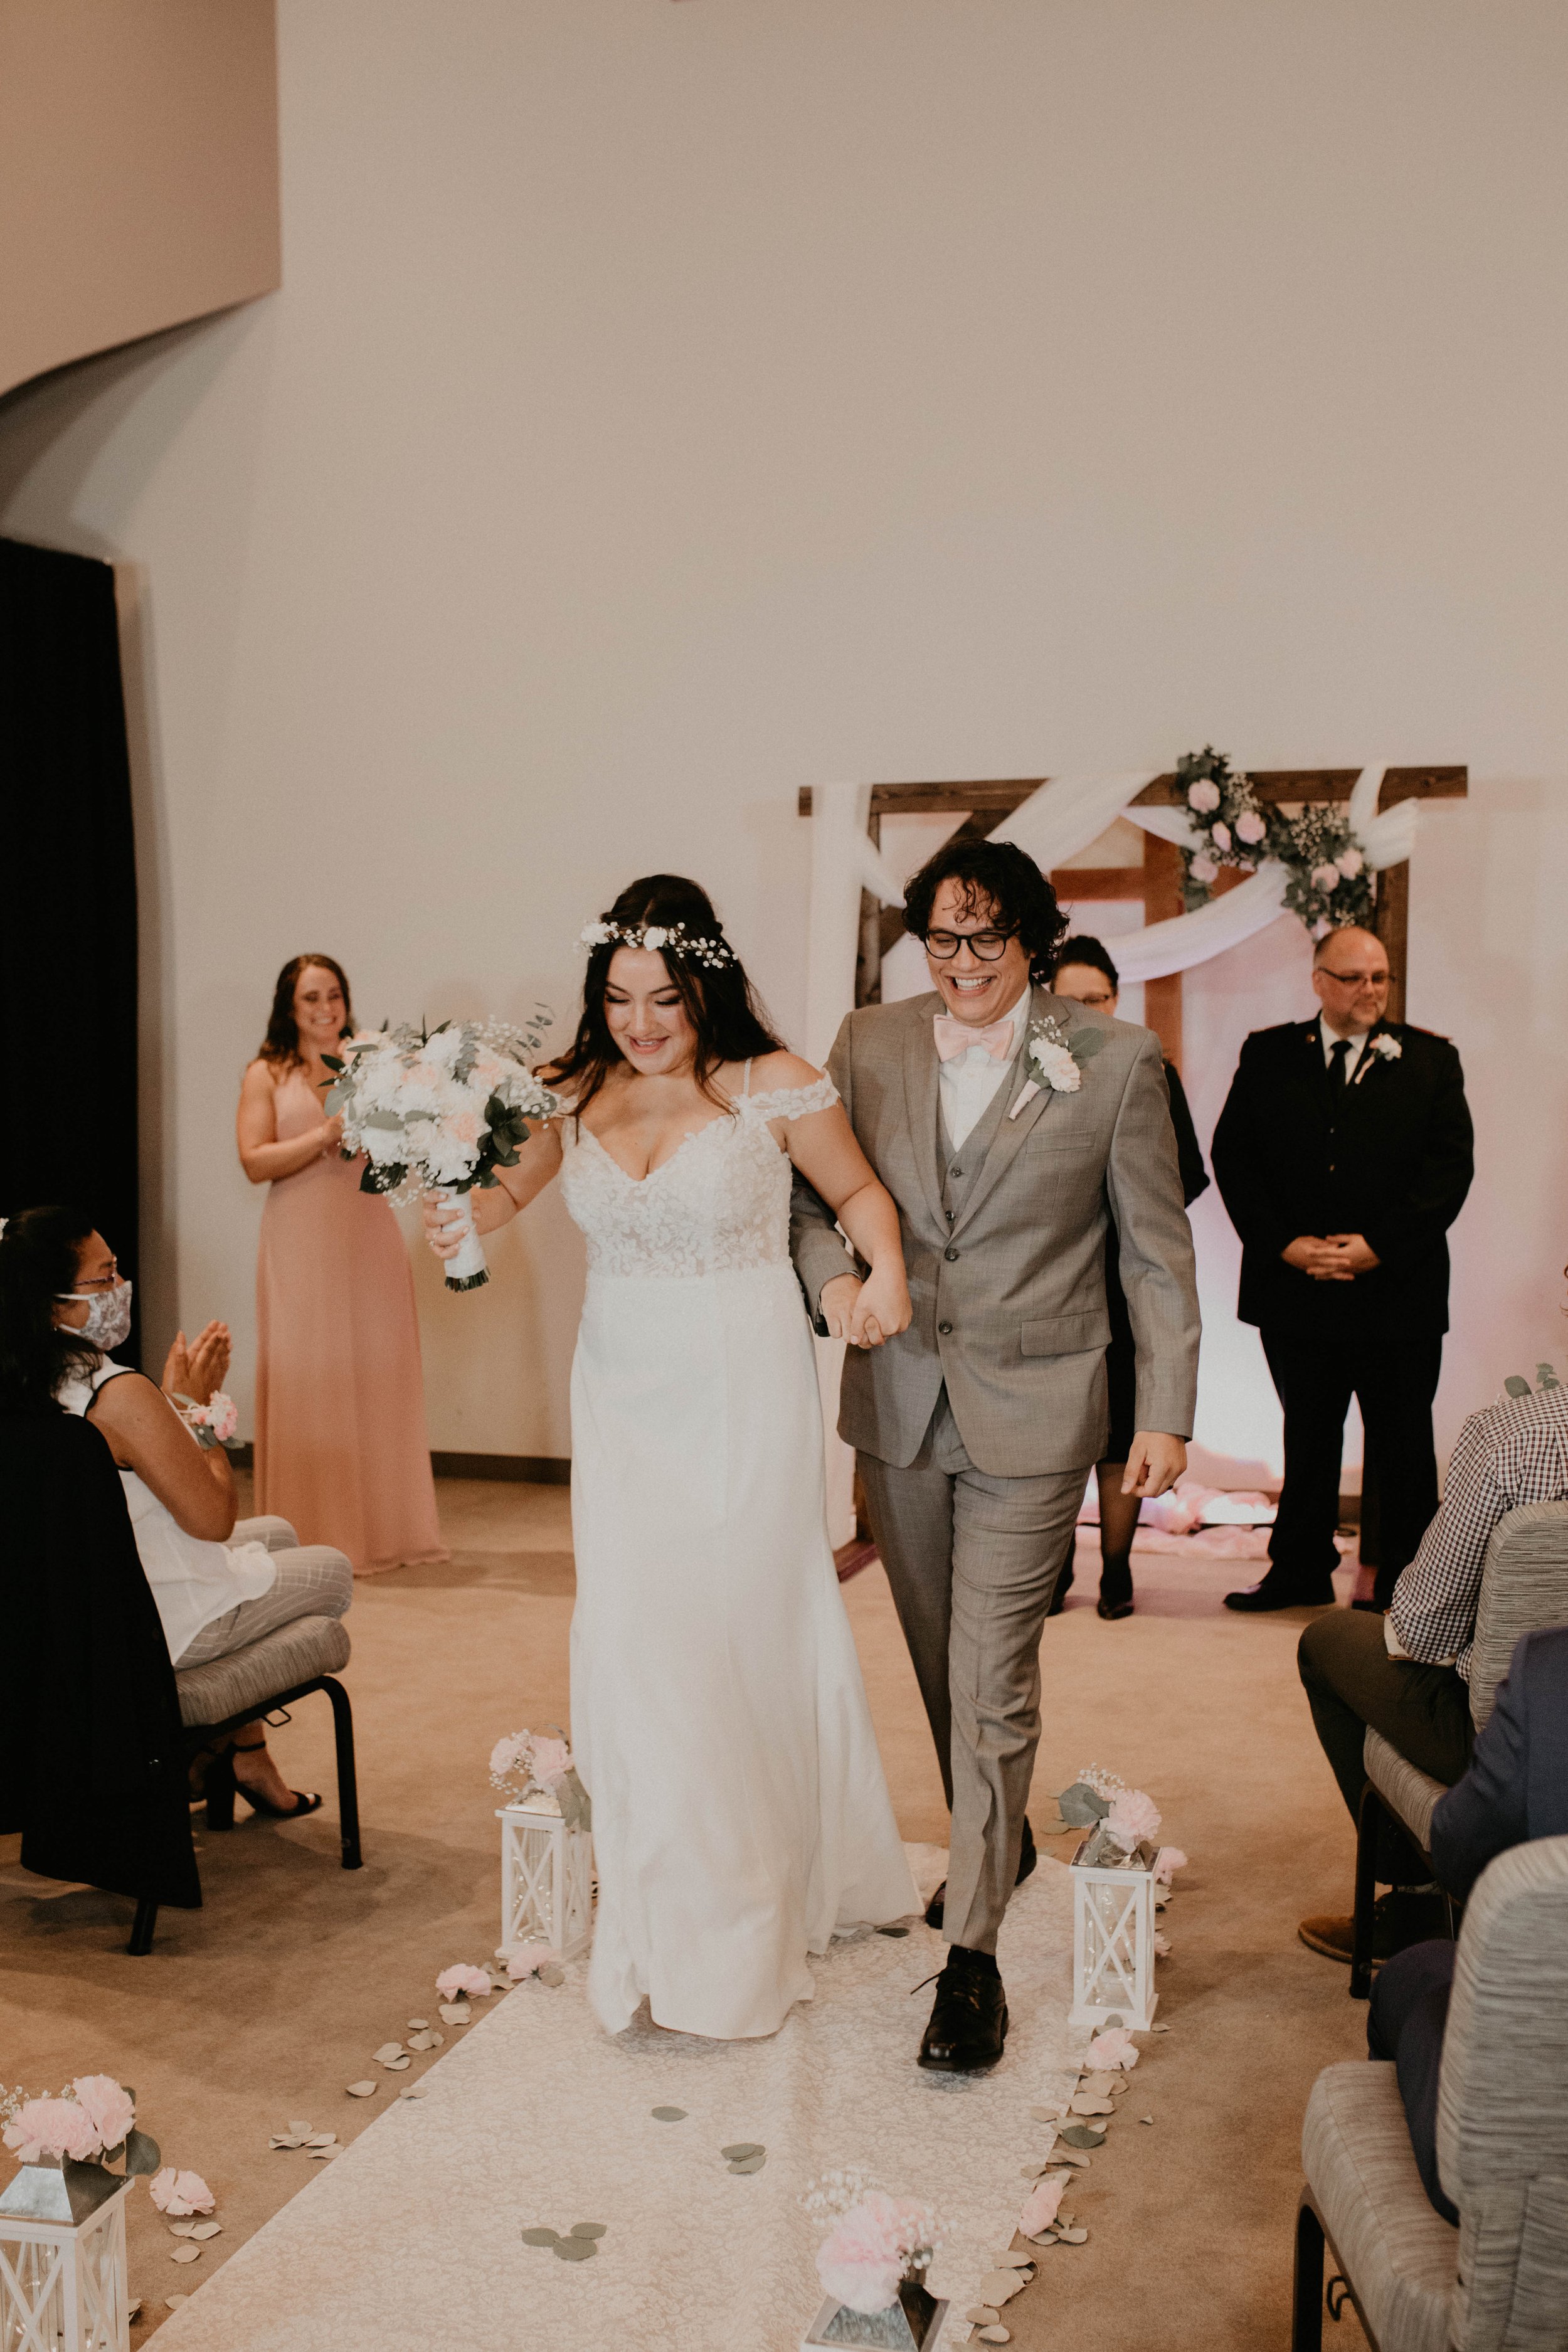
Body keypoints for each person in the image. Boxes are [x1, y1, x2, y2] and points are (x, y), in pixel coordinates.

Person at [424, 876, 918, 2041]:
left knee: (731, 1632)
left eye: (664, 998)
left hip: (741, 1386)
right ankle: (667, 1893)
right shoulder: (569, 1090)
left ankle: (740, 1920)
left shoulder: (773, 1081)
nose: (641, 1022)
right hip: (623, 1391)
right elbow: (508, 1193)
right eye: (619, 997)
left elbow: (855, 1191)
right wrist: (458, 1208)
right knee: (639, 1638)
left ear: (706, 988)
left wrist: (885, 1271)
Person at [790, 839, 1200, 2072]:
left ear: (1032, 939)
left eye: (986, 937)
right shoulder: (866, 1044)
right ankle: (1000, 1836)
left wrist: (1165, 1411)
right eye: (941, 938)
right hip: (900, 1402)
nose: (962, 962)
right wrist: (835, 1285)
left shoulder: (1114, 1060)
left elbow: (1155, 1252)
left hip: (1039, 1407)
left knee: (990, 1672)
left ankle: (970, 1962)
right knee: (936, 1661)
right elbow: (807, 1197)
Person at [0, 1204, 351, 1819]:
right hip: (150, 1621)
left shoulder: (24, 1381)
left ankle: (245, 1752)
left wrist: (175, 1410)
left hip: (80, 1610)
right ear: (54, 1305)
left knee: (279, 1533)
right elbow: (213, 1519)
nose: (121, 1287)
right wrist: (195, 1409)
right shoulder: (115, 1392)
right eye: (105, 1277)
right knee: (334, 1570)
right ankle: (224, 1747)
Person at [1211, 924, 1474, 1614]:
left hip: (1396, 1292)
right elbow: (1234, 1156)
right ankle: (1298, 1570)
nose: (1370, 991)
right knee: (1306, 1435)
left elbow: (1449, 1170)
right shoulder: (1269, 1054)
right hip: (1297, 1290)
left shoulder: (1430, 1060)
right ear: (1319, 982)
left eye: (1379, 978)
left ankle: (1408, 1583)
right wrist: (1284, 1244)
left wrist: (1378, 1246)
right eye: (1354, 978)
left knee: (1403, 1444)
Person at [1295, 1355, 1568, 1964]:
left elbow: (1420, 1629)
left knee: (1328, 1642)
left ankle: (1418, 1903)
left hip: (1517, 1742)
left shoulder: (1515, 1432)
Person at [238, 953, 446, 1574]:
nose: (326, 1008)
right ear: (289, 1006)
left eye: (334, 995)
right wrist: (323, 1135)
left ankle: (388, 1533)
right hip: (299, 1236)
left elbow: (400, 1150)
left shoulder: (370, 1062)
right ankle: (314, 1533)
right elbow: (253, 1161)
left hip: (366, 1230)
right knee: (311, 1373)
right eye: (311, 998)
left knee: (377, 1369)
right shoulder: (267, 1073)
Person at [1367, 1624, 1568, 2223]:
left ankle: (1421, 2260)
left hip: (1529, 2171)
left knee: (1408, 1977)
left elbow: (1459, 1851)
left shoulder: (1551, 1673)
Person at [1049, 934, 1210, 1618]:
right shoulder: (1029, 1068)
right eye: (1071, 1000)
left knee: (1119, 1428)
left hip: (1123, 1276)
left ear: (1116, 999)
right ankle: (1052, 1570)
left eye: (1098, 998)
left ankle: (1116, 1568)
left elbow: (1186, 1175)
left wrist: (1126, 1214)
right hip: (1049, 1274)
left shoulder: (1150, 1067)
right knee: (1053, 1428)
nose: (1087, 1011)